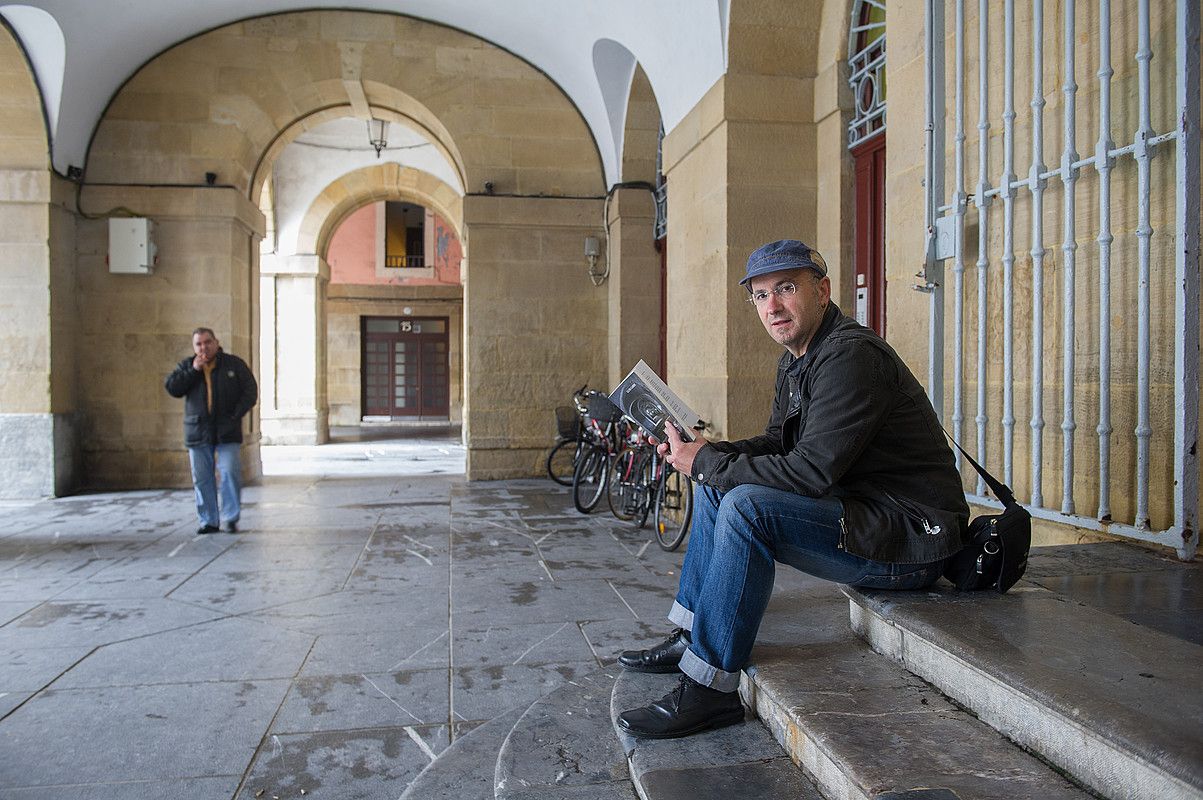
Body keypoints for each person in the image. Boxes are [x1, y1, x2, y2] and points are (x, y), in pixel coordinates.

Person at [615, 239, 970, 739]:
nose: (773, 306)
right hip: (864, 515)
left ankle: (711, 692)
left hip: (910, 537)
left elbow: (808, 474)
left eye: (786, 289)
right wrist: (709, 452)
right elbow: (776, 444)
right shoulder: (801, 355)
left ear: (822, 290)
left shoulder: (851, 357)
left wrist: (711, 463)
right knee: (720, 486)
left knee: (745, 506)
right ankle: (694, 634)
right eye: (761, 296)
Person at [165, 327, 258, 534]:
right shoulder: (188, 366)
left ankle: (231, 517)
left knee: (229, 472)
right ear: (194, 347)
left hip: (227, 430)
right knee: (202, 477)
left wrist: (235, 415)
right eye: (198, 344)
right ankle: (208, 520)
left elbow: (250, 391)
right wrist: (193, 370)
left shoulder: (233, 364)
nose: (203, 347)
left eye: (207, 342)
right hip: (197, 432)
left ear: (216, 342)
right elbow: (172, 388)